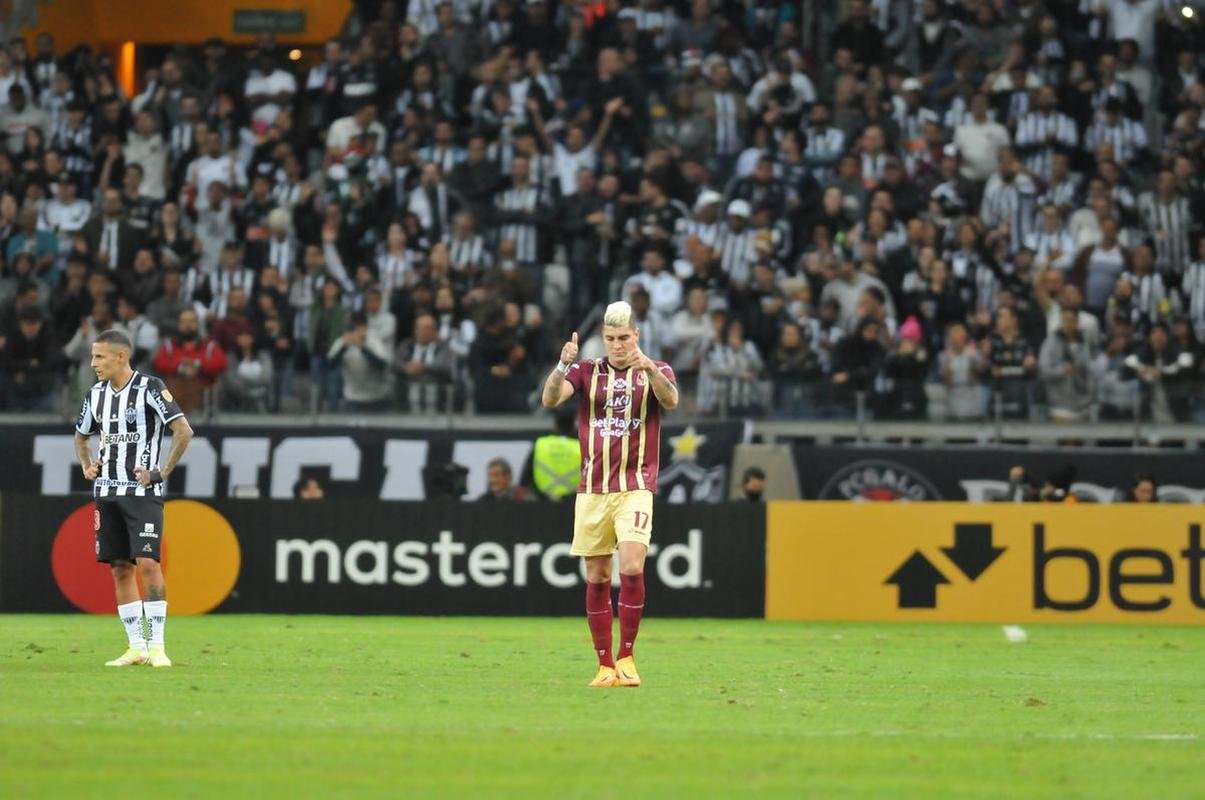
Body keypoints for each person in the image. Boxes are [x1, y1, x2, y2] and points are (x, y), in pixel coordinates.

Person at [541, 300, 679, 688]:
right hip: (593, 489)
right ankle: (604, 666)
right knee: (598, 574)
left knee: (632, 565)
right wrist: (561, 365)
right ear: (603, 339)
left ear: (636, 335)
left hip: (636, 485)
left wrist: (649, 366)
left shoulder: (657, 369)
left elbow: (671, 401)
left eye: (623, 338)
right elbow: (551, 399)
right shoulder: (586, 372)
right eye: (610, 339)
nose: (617, 345)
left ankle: (627, 656)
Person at [73, 328, 194, 667]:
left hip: (142, 492)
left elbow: (183, 430)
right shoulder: (95, 395)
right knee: (119, 568)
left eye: (99, 356)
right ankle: (136, 647)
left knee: (148, 563)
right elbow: (81, 438)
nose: (93, 362)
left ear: (121, 356)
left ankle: (157, 646)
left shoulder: (150, 388)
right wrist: (87, 465)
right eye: (93, 356)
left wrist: (162, 472)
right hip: (107, 491)